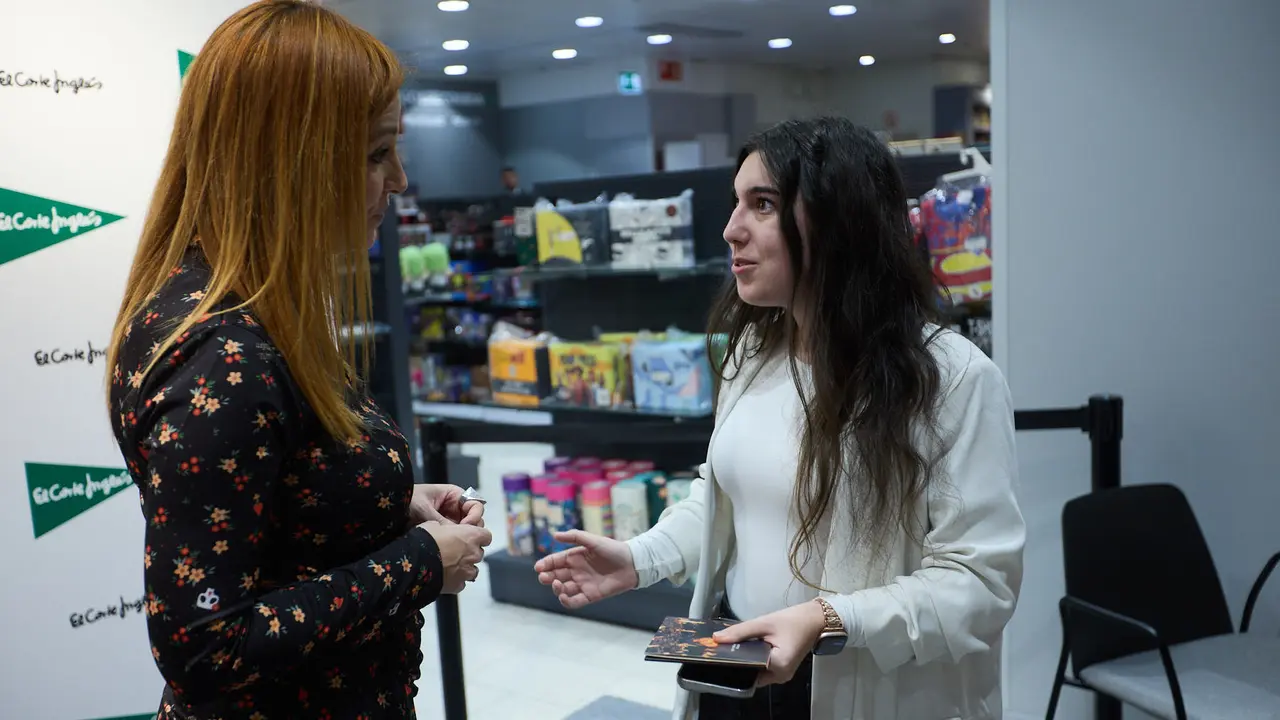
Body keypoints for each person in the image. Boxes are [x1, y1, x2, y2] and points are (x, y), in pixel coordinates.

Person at [535, 117, 1024, 720]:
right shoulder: (750, 354)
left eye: (761, 204)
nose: (731, 229)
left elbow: (980, 581)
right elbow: (725, 500)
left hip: (861, 685)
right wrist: (640, 558)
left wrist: (828, 619)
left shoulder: (952, 379)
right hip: (733, 665)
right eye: (736, 203)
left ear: (838, 219)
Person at [104, 2, 492, 718]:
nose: (400, 180)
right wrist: (419, 563)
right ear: (291, 161)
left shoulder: (256, 316)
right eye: (377, 154)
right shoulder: (221, 353)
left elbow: (277, 502)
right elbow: (207, 648)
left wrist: (382, 504)